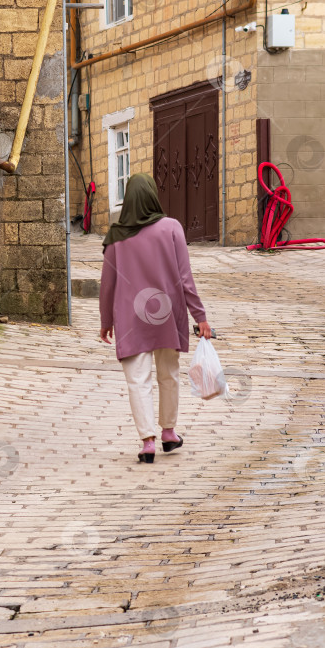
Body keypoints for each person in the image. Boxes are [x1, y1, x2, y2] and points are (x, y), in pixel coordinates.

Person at [98, 173, 212, 464]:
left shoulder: (116, 238)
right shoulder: (171, 228)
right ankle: (169, 433)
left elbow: (107, 285)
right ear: (152, 196)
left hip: (130, 318)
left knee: (138, 380)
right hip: (166, 314)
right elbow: (185, 278)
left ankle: (147, 441)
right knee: (168, 374)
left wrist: (105, 321)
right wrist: (199, 316)